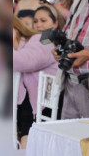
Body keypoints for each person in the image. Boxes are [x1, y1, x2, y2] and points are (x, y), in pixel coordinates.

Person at [13, 16, 57, 148]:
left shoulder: (40, 39)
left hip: (41, 104)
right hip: (21, 105)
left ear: (16, 28)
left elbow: (27, 61)